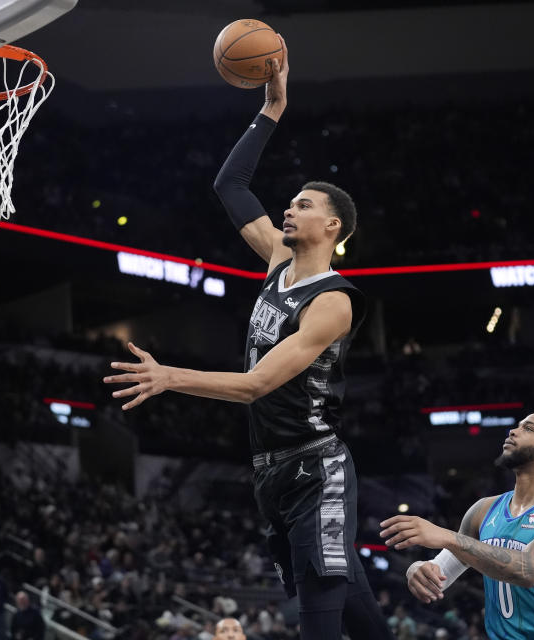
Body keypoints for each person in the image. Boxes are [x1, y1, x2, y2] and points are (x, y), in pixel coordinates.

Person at [103, 37, 392, 640]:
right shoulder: (273, 263)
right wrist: (271, 111)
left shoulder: (333, 301)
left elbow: (259, 383)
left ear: (332, 226)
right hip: (270, 471)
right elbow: (230, 184)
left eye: (302, 205)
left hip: (317, 468)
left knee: (319, 614)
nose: (288, 210)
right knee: (360, 616)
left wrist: (171, 377)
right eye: (288, 203)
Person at [380, 411, 534, 639]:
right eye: (517, 426)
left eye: (529, 428)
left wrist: (447, 536)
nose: (513, 431)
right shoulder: (483, 510)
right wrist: (417, 570)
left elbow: (529, 570)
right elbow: (441, 572)